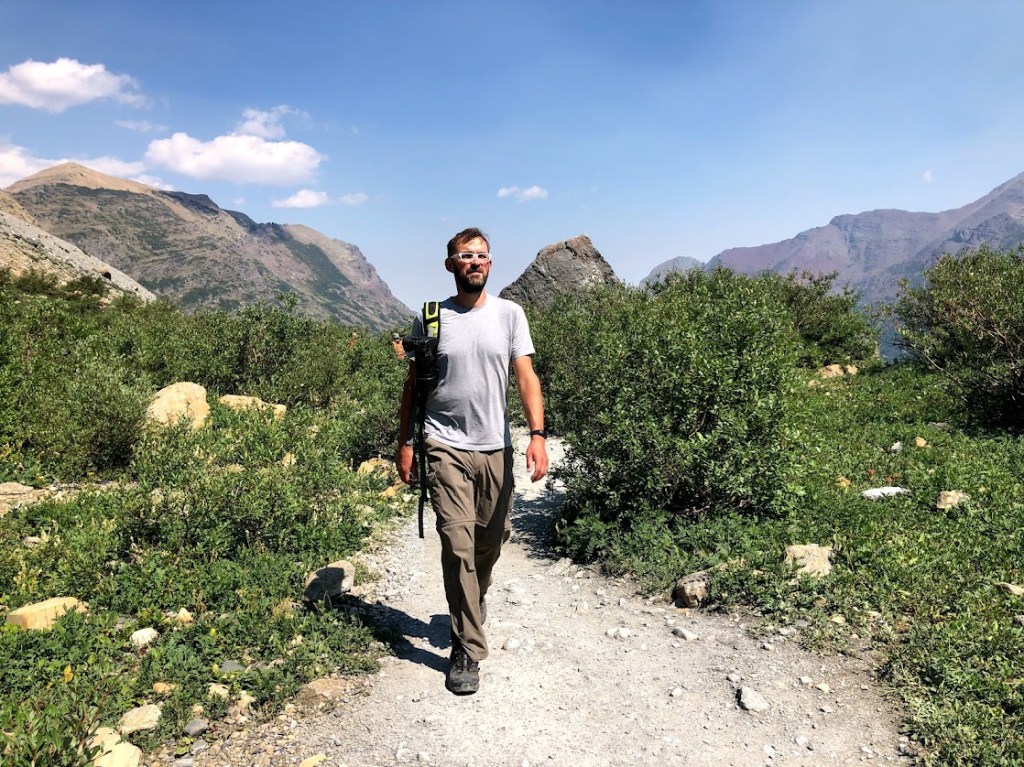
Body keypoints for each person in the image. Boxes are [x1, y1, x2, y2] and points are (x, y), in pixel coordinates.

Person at [396, 227, 548, 695]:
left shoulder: (509, 315)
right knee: (457, 543)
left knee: (490, 540)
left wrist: (537, 435)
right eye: (465, 255)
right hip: (443, 444)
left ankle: (470, 598)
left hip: (495, 446)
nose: (474, 262)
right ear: (451, 265)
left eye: (481, 255)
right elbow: (412, 385)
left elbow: (526, 377)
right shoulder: (431, 317)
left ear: (490, 264)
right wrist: (405, 441)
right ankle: (466, 648)